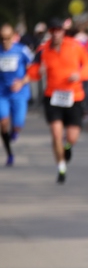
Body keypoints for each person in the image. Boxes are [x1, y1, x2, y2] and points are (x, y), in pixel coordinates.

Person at [23, 18, 88, 183]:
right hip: (53, 97)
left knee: (72, 137)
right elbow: (33, 71)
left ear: (63, 31)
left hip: (74, 96)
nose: (56, 33)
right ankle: (61, 168)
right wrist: (37, 72)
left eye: (58, 30)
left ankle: (67, 146)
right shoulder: (43, 50)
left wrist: (80, 75)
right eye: (53, 30)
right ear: (50, 32)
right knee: (56, 134)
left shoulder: (75, 46)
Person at [0, 23, 33, 166]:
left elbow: (33, 69)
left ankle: (15, 131)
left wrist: (21, 82)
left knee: (18, 124)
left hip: (20, 93)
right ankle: (9, 154)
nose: (4, 41)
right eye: (1, 38)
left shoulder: (22, 50)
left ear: (13, 36)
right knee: (3, 123)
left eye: (7, 38)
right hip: (2, 93)